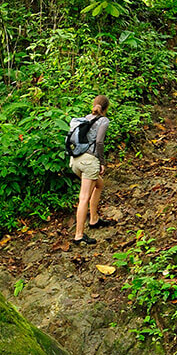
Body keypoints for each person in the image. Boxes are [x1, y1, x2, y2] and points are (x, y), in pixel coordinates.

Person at [70, 94, 117, 245]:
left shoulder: (86, 118)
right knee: (84, 198)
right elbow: (99, 142)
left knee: (99, 184)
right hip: (89, 162)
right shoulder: (103, 120)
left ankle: (94, 219)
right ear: (106, 108)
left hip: (75, 160)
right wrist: (102, 162)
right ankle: (78, 235)